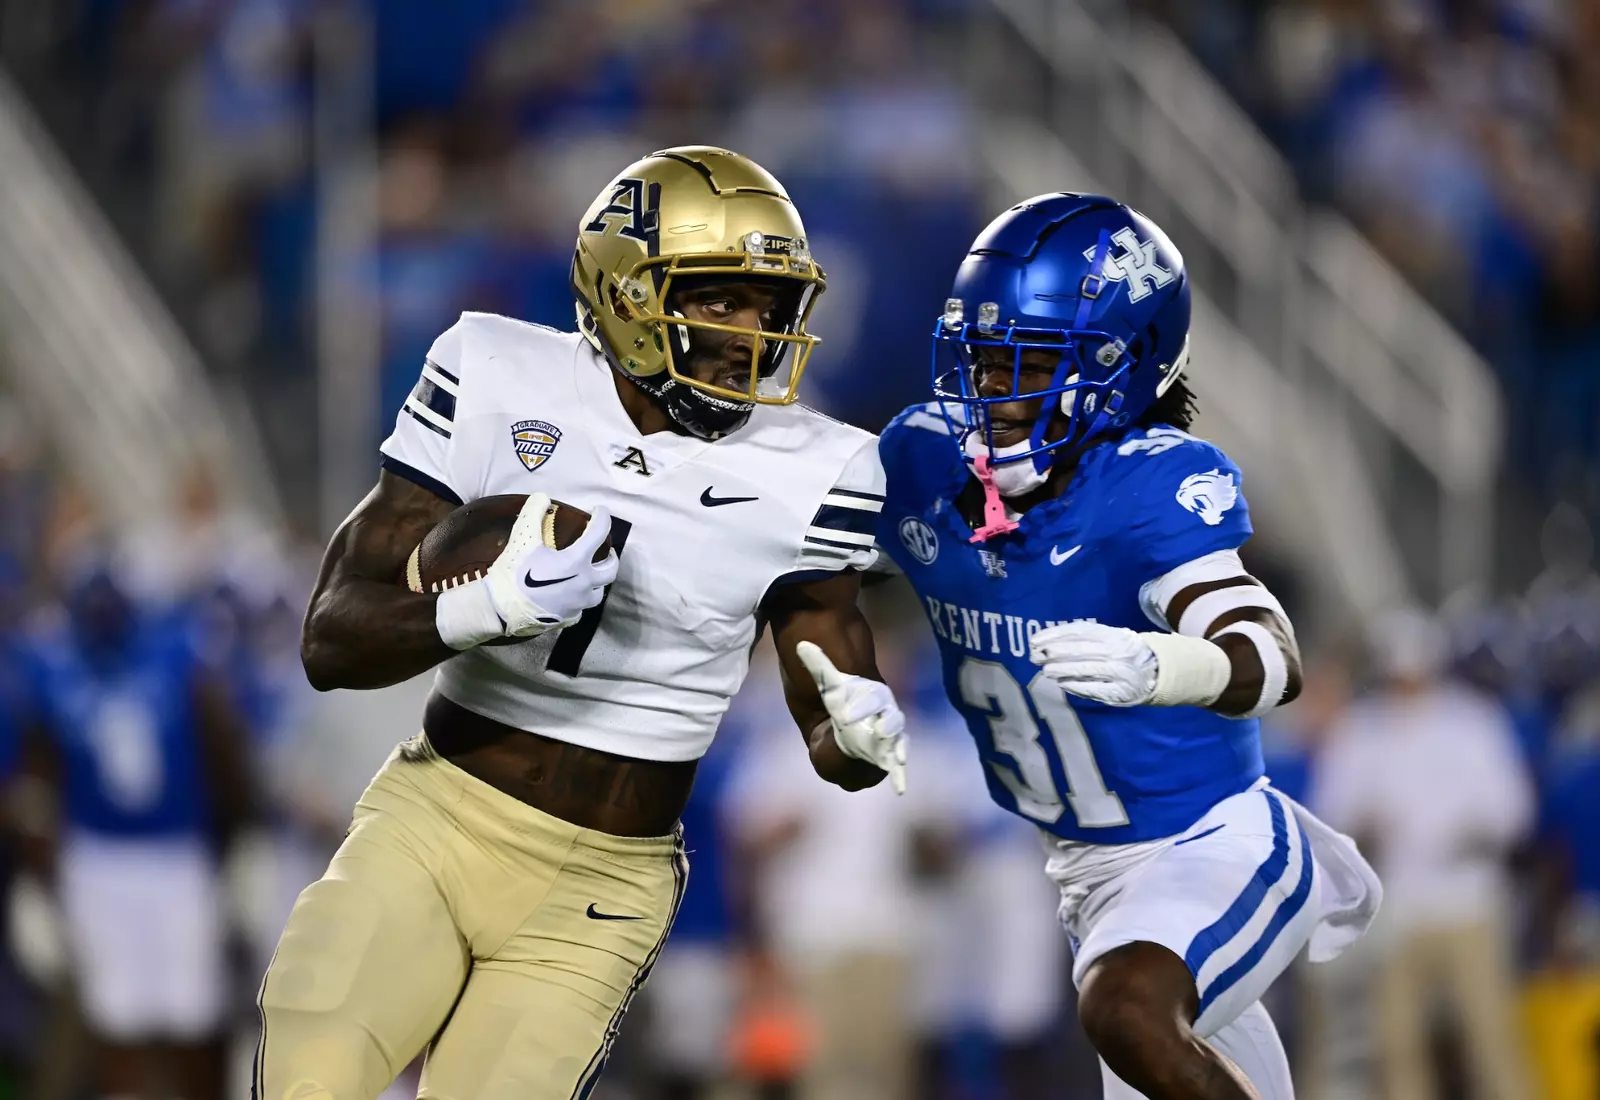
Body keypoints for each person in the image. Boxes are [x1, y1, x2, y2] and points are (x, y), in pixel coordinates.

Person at [258, 146, 909, 1100]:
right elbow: (331, 639)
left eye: (770, 308)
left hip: (602, 882)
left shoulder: (820, 467)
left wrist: (858, 733)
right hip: (438, 818)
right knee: (311, 1063)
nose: (751, 334)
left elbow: (833, 731)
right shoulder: (494, 372)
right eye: (720, 299)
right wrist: (487, 609)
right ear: (626, 294)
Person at [872, 193, 1382, 1100]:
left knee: (1128, 1013)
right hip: (1089, 881)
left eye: (1023, 365)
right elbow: (800, 560)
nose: (990, 394)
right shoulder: (924, 465)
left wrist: (1165, 667)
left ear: (1120, 366)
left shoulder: (1147, 488)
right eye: (982, 363)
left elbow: (1269, 653)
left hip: (1215, 841)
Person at [16, 559, 257, 1100]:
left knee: (194, 1013)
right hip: (98, 855)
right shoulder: (56, 665)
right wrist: (40, 864)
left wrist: (241, 835)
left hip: (177, 853)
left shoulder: (175, 656)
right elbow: (38, 769)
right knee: (117, 1016)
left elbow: (226, 750)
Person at [1313, 609, 1534, 1100]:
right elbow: (1332, 815)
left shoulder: (1473, 723)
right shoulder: (1362, 730)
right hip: (1397, 907)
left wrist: (1466, 834)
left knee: (1491, 1038)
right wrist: (1367, 828)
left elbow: (1513, 812)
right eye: (1397, 675)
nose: (1406, 684)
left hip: (1467, 901)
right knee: (1398, 1047)